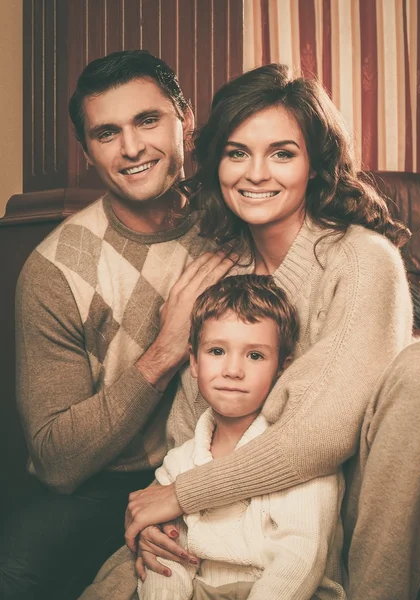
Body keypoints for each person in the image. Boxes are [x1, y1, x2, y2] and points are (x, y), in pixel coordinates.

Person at [100, 64, 420, 600]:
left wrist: (182, 494)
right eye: (238, 153)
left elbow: (325, 434)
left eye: (283, 153)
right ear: (217, 163)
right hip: (220, 513)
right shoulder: (216, 269)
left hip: (334, 507)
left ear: (315, 164)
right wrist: (157, 511)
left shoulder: (360, 260)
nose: (256, 174)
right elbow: (190, 424)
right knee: (121, 579)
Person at [0, 50, 236, 600]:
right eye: (107, 133)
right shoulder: (54, 269)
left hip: (217, 462)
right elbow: (56, 460)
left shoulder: (235, 221)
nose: (131, 148)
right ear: (86, 151)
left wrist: (185, 491)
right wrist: (165, 349)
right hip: (103, 482)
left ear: (186, 119)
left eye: (148, 121)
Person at [138, 274, 345, 600]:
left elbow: (301, 557)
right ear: (193, 361)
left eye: (255, 356)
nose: (233, 370)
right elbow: (168, 559)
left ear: (282, 368)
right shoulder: (180, 462)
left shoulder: (297, 457)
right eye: (217, 351)